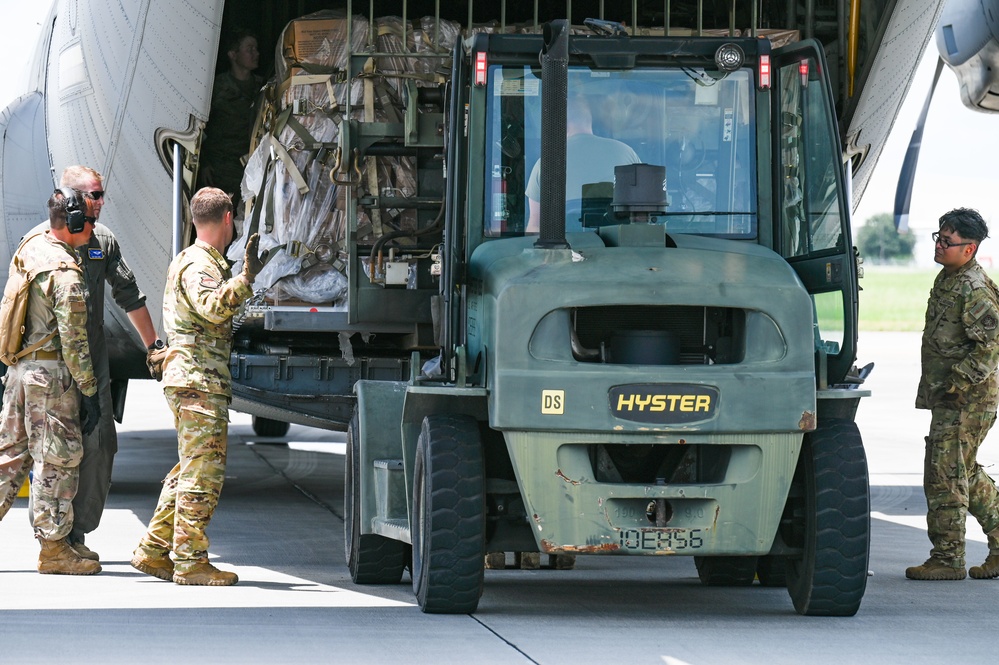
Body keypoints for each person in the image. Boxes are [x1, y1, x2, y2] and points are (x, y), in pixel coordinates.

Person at [131, 187, 263, 586]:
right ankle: (190, 561)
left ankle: (154, 550)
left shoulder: (195, 259)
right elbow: (210, 306)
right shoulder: (199, 263)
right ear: (228, 219)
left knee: (189, 468)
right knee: (203, 473)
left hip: (194, 377)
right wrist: (245, 280)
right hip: (197, 379)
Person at [30, 165, 160, 565]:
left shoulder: (101, 242)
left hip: (92, 361)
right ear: (70, 198)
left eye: (102, 195)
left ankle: (75, 534)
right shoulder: (37, 243)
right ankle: (53, 539)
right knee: (39, 453)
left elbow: (130, 295)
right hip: (49, 365)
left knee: (99, 446)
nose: (101, 203)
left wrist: (154, 347)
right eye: (95, 195)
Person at [0, 190, 102, 575]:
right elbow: (75, 342)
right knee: (57, 461)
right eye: (89, 221)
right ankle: (54, 549)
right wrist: (89, 391)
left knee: (8, 457)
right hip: (51, 378)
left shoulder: (31, 245)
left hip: (20, 372)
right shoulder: (66, 273)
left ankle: (56, 545)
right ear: (75, 224)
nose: (93, 229)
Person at [906, 207, 999, 581]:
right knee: (962, 470)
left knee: (945, 475)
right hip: (950, 397)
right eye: (938, 238)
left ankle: (947, 558)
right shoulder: (950, 278)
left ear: (970, 248)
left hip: (967, 399)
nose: (940, 246)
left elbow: (991, 347)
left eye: (948, 241)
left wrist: (958, 382)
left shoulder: (973, 289)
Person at [525, 93, 641, 233]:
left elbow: (535, 226)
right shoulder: (626, 152)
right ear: (589, 119)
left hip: (567, 250)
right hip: (619, 248)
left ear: (559, 124)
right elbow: (642, 215)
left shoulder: (547, 162)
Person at [198, 27, 263, 210]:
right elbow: (200, 128)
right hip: (222, 168)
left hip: (252, 165)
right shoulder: (217, 88)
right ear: (233, 54)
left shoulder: (263, 87)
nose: (255, 53)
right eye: (249, 49)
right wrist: (204, 163)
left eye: (256, 49)